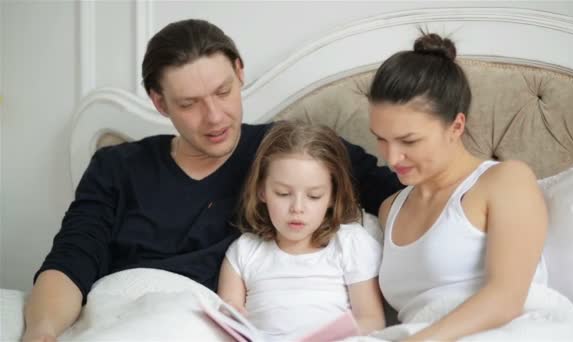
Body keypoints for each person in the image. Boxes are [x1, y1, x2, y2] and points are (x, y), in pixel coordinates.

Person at [22, 19, 401, 342]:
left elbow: (398, 201)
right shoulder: (116, 167)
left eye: (223, 92)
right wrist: (40, 333)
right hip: (127, 313)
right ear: (160, 103)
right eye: (189, 104)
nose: (215, 117)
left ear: (240, 72)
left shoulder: (288, 155)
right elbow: (70, 262)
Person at [368, 32, 548, 340]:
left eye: (409, 141)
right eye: (381, 139)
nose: (392, 156)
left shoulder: (505, 180)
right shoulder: (390, 209)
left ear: (456, 126)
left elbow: (506, 299)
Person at [217, 121, 386, 340]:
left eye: (314, 196)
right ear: (261, 191)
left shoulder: (350, 242)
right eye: (282, 193)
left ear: (333, 196)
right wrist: (231, 314)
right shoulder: (243, 251)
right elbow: (228, 316)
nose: (297, 208)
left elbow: (372, 320)